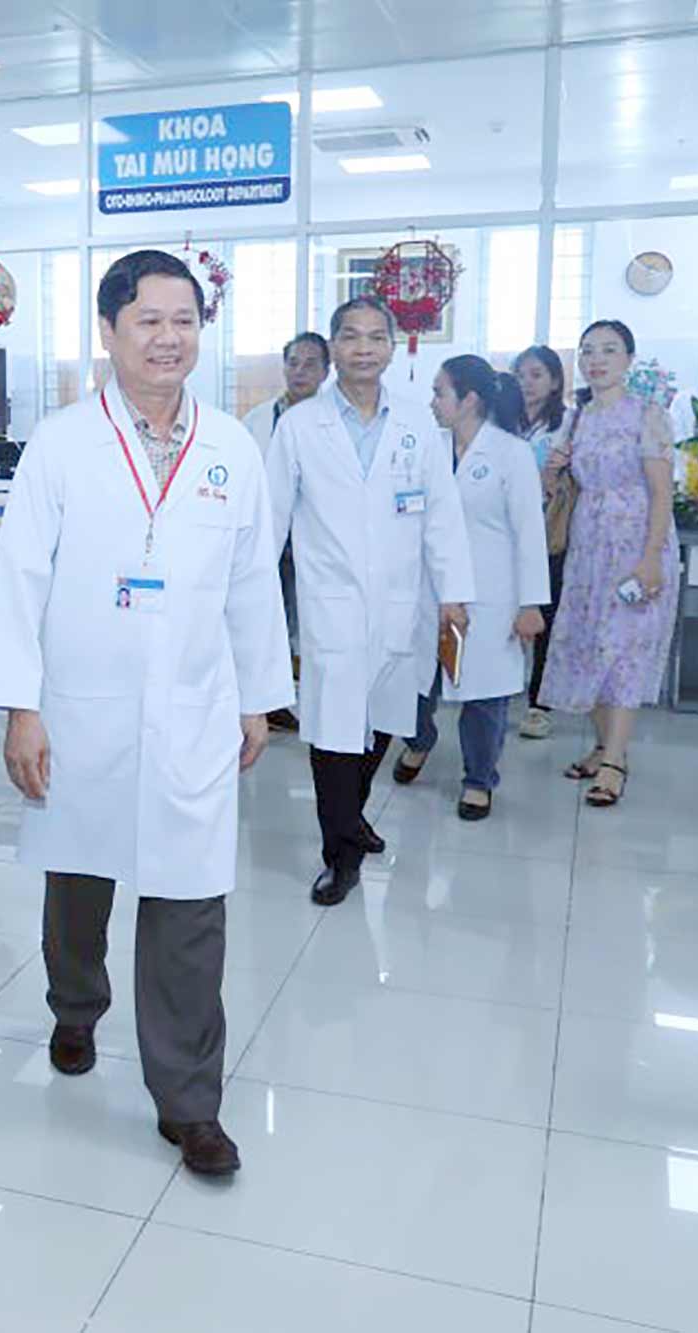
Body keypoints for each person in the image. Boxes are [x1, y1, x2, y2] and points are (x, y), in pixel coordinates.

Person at [0, 249, 292, 1177]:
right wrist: (21, 707)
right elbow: (20, 579)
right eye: (148, 321)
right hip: (81, 707)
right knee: (80, 879)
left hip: (195, 706)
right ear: (109, 332)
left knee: (190, 902)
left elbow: (252, 582)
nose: (168, 338)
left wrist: (257, 697)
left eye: (184, 321)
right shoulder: (63, 443)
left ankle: (190, 1102)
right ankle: (76, 1005)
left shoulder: (230, 447)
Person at [266, 296, 474, 906]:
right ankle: (342, 852)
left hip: (402, 597)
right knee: (333, 727)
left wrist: (454, 593)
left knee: (384, 715)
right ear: (333, 347)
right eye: (351, 336)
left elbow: (443, 515)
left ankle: (349, 820)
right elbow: (273, 515)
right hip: (330, 599)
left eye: (376, 336)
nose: (363, 348)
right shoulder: (300, 426)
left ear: (391, 347)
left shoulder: (416, 424)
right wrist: (251, 596)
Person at [391, 358, 549, 820]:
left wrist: (531, 604)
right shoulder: (427, 449)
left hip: (490, 593)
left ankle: (479, 779)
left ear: (469, 399)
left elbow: (529, 533)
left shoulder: (511, 454)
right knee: (414, 681)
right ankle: (420, 741)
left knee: (484, 694)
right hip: (429, 589)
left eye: (439, 392)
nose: (432, 402)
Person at [538, 319, 678, 808]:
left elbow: (661, 492)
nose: (596, 360)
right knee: (590, 645)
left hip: (636, 545)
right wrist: (552, 471)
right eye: (588, 350)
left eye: (609, 350)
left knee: (624, 650)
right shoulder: (576, 419)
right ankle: (603, 746)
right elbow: (556, 487)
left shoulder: (649, 415)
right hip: (587, 549)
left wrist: (651, 559)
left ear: (629, 360)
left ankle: (615, 760)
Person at [242, 331, 330, 734]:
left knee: (312, 624)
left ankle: (317, 702)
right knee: (266, 621)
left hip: (317, 541)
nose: (300, 371)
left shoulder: (335, 422)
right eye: (293, 362)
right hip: (268, 539)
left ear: (326, 371)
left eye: (310, 364)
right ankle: (270, 702)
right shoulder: (257, 420)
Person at [514, 345, 572, 741]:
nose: (527, 383)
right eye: (521, 375)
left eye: (536, 375)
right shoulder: (503, 420)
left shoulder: (568, 423)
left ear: (554, 381)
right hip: (509, 531)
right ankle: (501, 690)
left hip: (549, 531)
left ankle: (540, 703)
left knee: (545, 618)